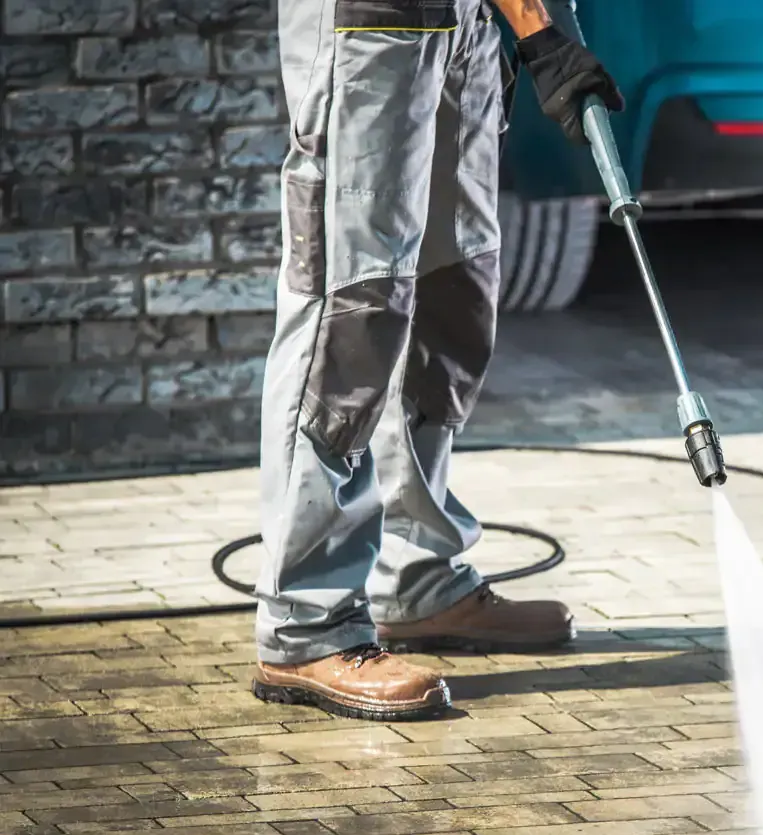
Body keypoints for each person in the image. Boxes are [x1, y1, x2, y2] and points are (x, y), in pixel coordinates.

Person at [251, 0, 624, 721]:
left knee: (452, 294)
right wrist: (538, 27)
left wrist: (547, 33)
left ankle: (417, 579)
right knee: (354, 303)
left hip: (468, 27)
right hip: (370, 21)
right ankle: (307, 621)